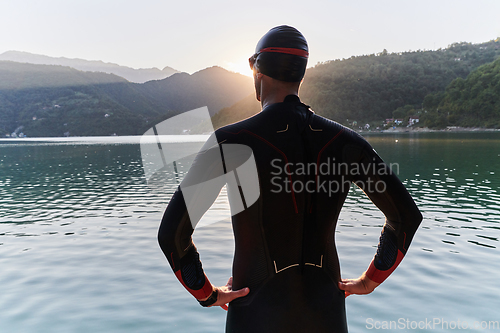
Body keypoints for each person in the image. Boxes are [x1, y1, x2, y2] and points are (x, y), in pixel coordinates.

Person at [158, 25, 422, 332]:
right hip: (327, 314)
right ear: (301, 74)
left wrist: (207, 294)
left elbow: (172, 235)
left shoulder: (230, 141)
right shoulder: (346, 142)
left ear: (257, 73)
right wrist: (369, 280)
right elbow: (405, 217)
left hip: (254, 315)